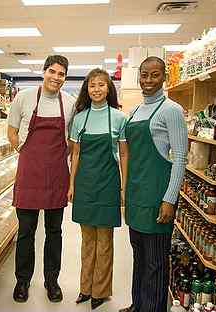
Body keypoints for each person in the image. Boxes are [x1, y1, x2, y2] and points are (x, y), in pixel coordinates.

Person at [119, 57, 188, 312]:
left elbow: (180, 158)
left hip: (158, 195)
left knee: (156, 262)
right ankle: (138, 305)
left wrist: (170, 199)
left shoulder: (171, 110)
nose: (148, 81)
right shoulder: (135, 111)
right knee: (139, 256)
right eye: (144, 75)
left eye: (155, 75)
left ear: (164, 77)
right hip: (138, 194)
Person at [7, 55, 76, 303]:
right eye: (52, 71)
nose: (56, 77)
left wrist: (57, 159)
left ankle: (52, 280)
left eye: (61, 74)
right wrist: (23, 151)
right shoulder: (24, 98)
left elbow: (71, 141)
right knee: (26, 231)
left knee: (54, 231)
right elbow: (12, 131)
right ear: (44, 71)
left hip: (56, 175)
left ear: (65, 78)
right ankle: (22, 281)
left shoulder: (69, 103)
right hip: (29, 174)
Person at [68, 69, 128, 310]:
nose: (96, 89)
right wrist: (71, 184)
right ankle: (85, 288)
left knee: (105, 241)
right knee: (87, 241)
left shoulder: (119, 118)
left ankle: (100, 291)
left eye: (101, 85)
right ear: (87, 88)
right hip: (84, 184)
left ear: (108, 88)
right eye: (92, 85)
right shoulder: (80, 118)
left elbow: (124, 153)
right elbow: (76, 153)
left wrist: (124, 186)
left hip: (108, 184)